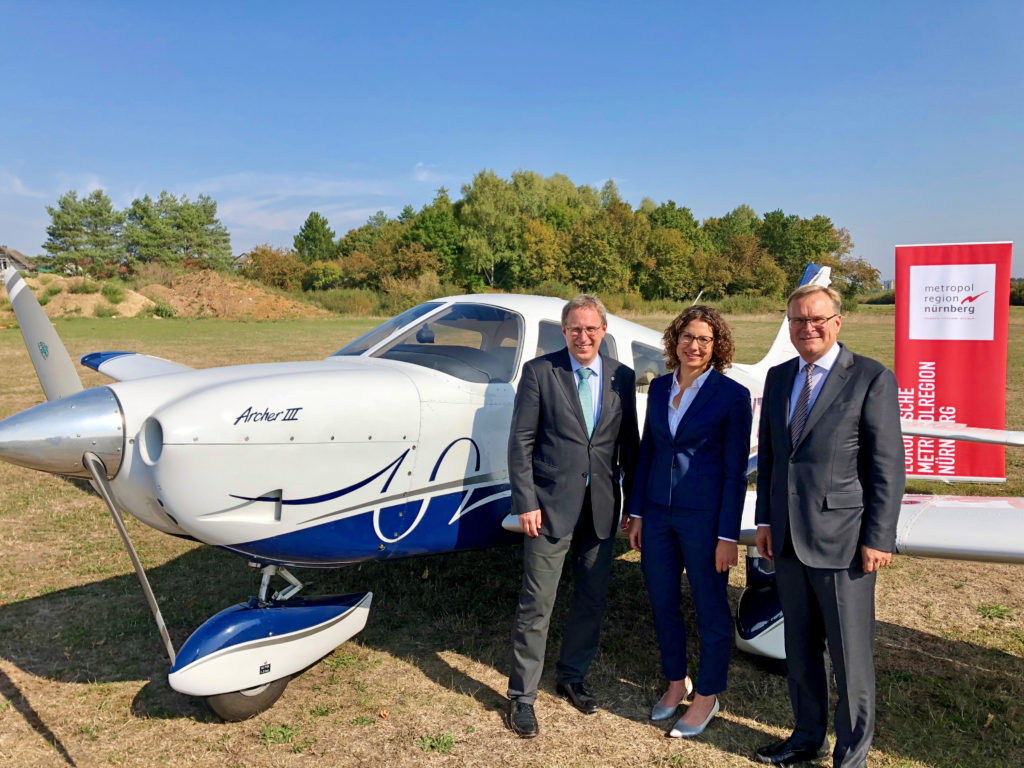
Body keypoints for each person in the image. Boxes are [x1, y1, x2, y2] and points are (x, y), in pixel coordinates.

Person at [753, 285, 905, 767]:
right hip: (789, 539)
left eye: (817, 319)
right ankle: (806, 738)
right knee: (799, 651)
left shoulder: (870, 378)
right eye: (798, 320)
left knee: (850, 660)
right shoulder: (779, 378)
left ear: (838, 321)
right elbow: (774, 458)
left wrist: (879, 537)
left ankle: (851, 756)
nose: (807, 328)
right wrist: (764, 520)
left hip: (844, 543)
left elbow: (887, 466)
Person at [506, 294, 639, 738]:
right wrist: (525, 500)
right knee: (536, 603)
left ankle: (571, 675)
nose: (583, 336)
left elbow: (630, 450)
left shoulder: (623, 377)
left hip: (601, 509)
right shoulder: (541, 372)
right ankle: (522, 697)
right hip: (548, 507)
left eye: (591, 329)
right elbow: (521, 441)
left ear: (604, 332)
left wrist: (633, 507)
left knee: (591, 599)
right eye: (574, 329)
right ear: (563, 332)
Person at [625, 306, 751, 738]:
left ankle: (708, 695)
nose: (694, 346)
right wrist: (638, 511)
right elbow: (648, 453)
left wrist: (727, 535)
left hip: (705, 520)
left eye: (704, 339)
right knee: (662, 602)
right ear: (675, 338)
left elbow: (736, 472)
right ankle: (677, 682)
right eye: (687, 336)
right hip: (657, 514)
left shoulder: (731, 396)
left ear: (717, 346)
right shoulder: (658, 388)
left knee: (710, 609)